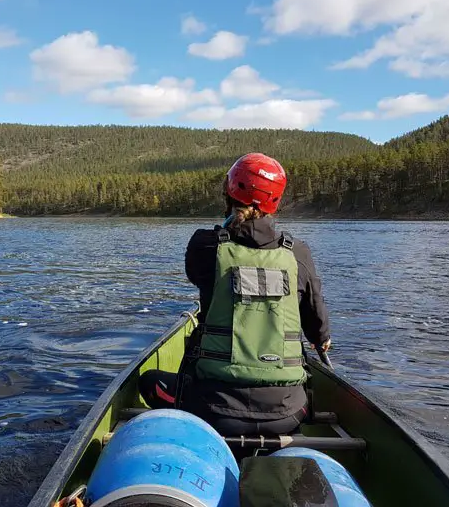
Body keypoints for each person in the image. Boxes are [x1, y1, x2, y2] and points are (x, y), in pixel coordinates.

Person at [139, 152, 331, 435]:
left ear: (228, 192)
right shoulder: (298, 253)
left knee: (148, 382)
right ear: (274, 201)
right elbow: (317, 323)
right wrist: (321, 339)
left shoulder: (205, 246)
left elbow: (196, 275)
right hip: (288, 413)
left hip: (212, 409)